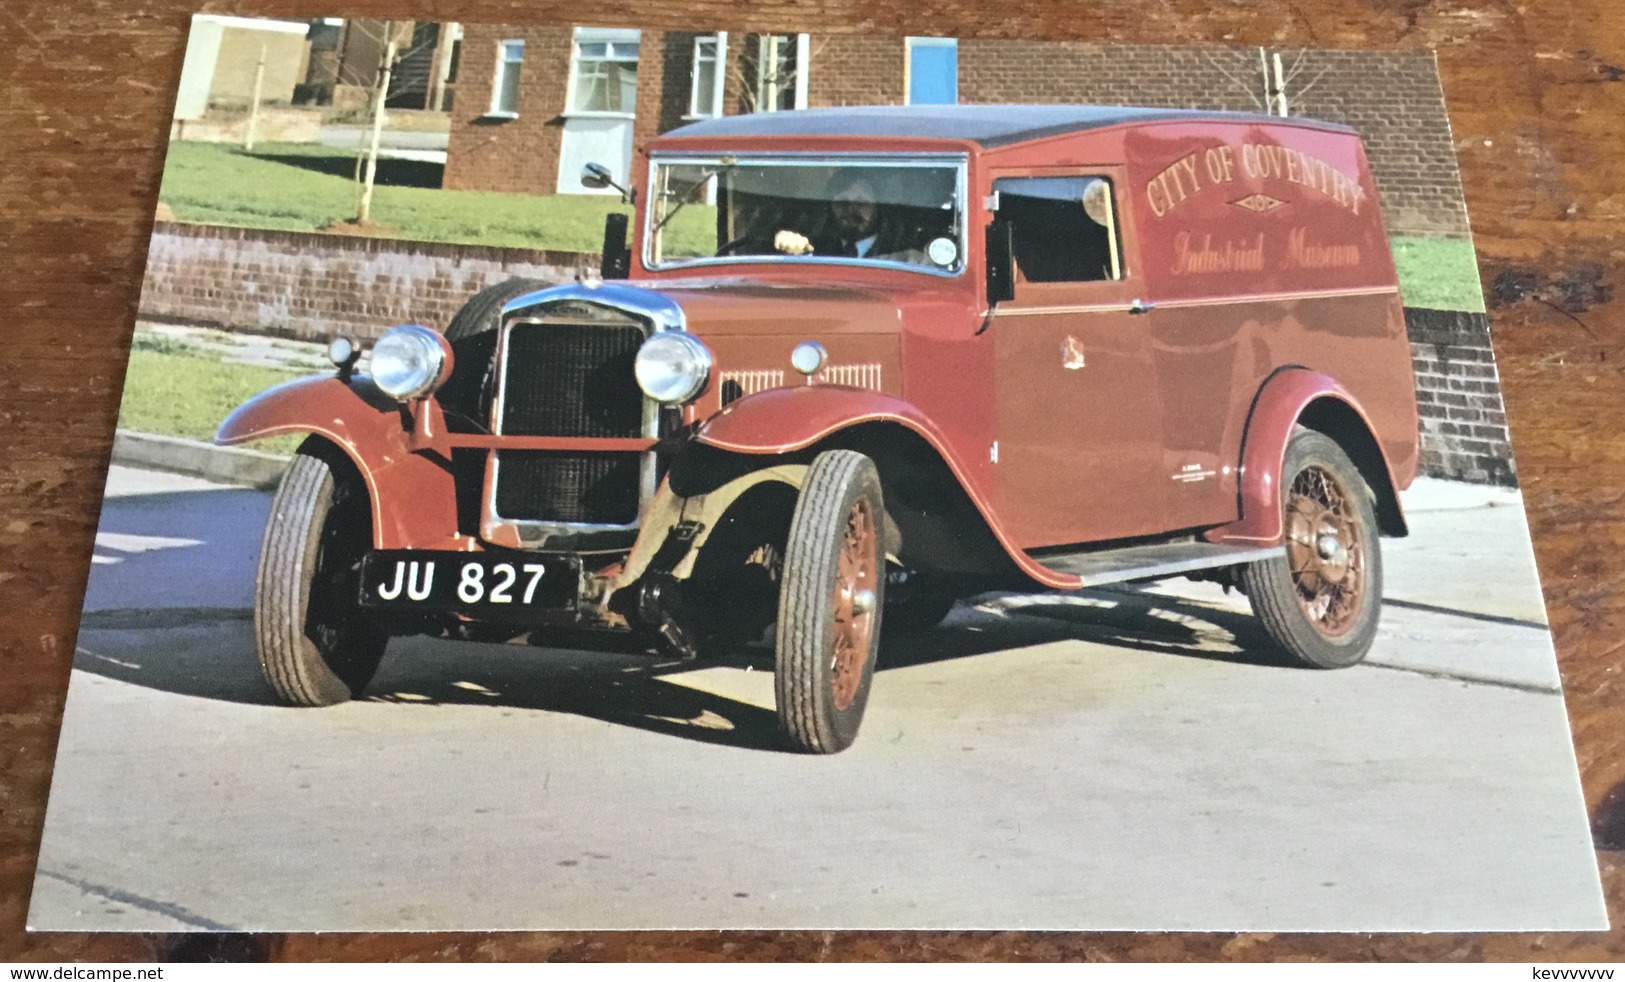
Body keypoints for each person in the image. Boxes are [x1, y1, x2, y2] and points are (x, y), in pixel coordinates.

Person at [773, 172, 928, 265]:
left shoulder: (905, 249)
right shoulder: (815, 247)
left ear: (877, 206)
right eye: (842, 202)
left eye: (861, 201)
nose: (851, 210)